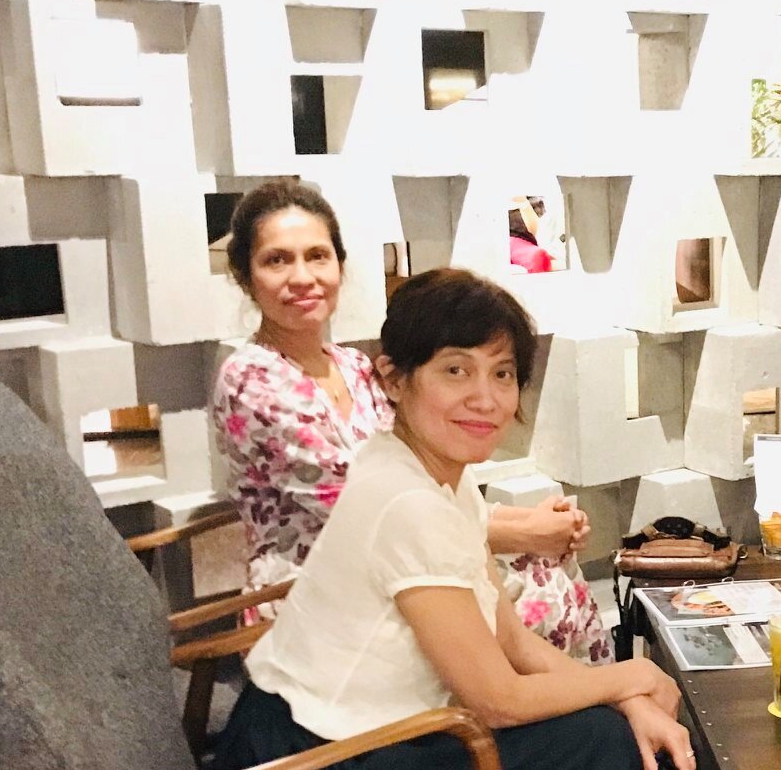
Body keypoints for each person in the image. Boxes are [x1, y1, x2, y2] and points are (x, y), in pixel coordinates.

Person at [202, 269, 701, 770]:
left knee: (594, 734)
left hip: (325, 755)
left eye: (503, 374)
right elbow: (497, 697)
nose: (485, 397)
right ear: (395, 379)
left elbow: (512, 642)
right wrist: (633, 679)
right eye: (456, 370)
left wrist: (621, 696)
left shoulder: (429, 478)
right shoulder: (409, 503)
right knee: (595, 752)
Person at [210, 180, 609, 662]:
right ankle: (564, 702)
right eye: (277, 260)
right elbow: (373, 513)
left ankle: (592, 702)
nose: (302, 277)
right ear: (245, 276)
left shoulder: (354, 366)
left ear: (339, 266)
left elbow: (423, 483)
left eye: (317, 256)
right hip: (321, 592)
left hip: (400, 565)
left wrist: (540, 523)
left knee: (553, 573)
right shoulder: (252, 379)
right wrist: (526, 532)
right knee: (544, 600)